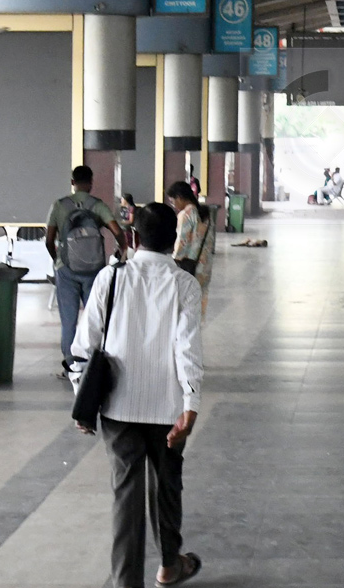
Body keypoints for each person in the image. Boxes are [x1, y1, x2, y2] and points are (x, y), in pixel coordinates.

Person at [69, 203, 204, 588]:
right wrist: (191, 405)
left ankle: (127, 582)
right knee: (167, 486)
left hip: (118, 406)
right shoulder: (184, 284)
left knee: (126, 495)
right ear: (174, 241)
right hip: (168, 407)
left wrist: (82, 399)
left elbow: (85, 344)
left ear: (134, 237)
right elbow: (187, 347)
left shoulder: (109, 279)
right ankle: (169, 565)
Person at [46, 165, 127, 376]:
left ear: (72, 182)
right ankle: (92, 365)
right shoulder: (97, 206)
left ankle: (71, 367)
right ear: (91, 183)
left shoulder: (59, 206)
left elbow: (48, 240)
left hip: (66, 270)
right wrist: (121, 250)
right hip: (93, 270)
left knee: (68, 321)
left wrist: (58, 260)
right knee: (95, 318)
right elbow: (118, 232)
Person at [167, 181, 217, 318]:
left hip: (189, 266)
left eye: (173, 201)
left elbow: (181, 243)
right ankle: (197, 325)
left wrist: (173, 262)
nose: (174, 206)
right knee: (200, 297)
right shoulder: (205, 214)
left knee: (185, 303)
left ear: (180, 197)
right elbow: (211, 241)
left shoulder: (186, 214)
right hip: (205, 265)